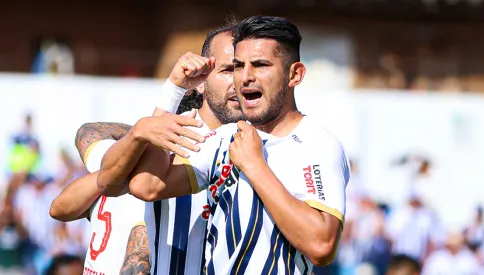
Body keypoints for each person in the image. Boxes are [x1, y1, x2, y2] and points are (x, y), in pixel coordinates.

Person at [97, 15, 350, 274]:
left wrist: (254, 166)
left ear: (294, 74)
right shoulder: (226, 137)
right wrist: (173, 91)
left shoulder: (316, 143)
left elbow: (321, 245)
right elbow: (145, 185)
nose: (245, 78)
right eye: (238, 66)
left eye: (261, 65)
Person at [51, 23, 243, 274]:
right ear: (201, 81)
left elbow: (61, 205)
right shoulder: (188, 152)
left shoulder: (134, 149)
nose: (240, 80)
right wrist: (137, 136)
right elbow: (62, 208)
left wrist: (134, 138)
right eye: (229, 69)